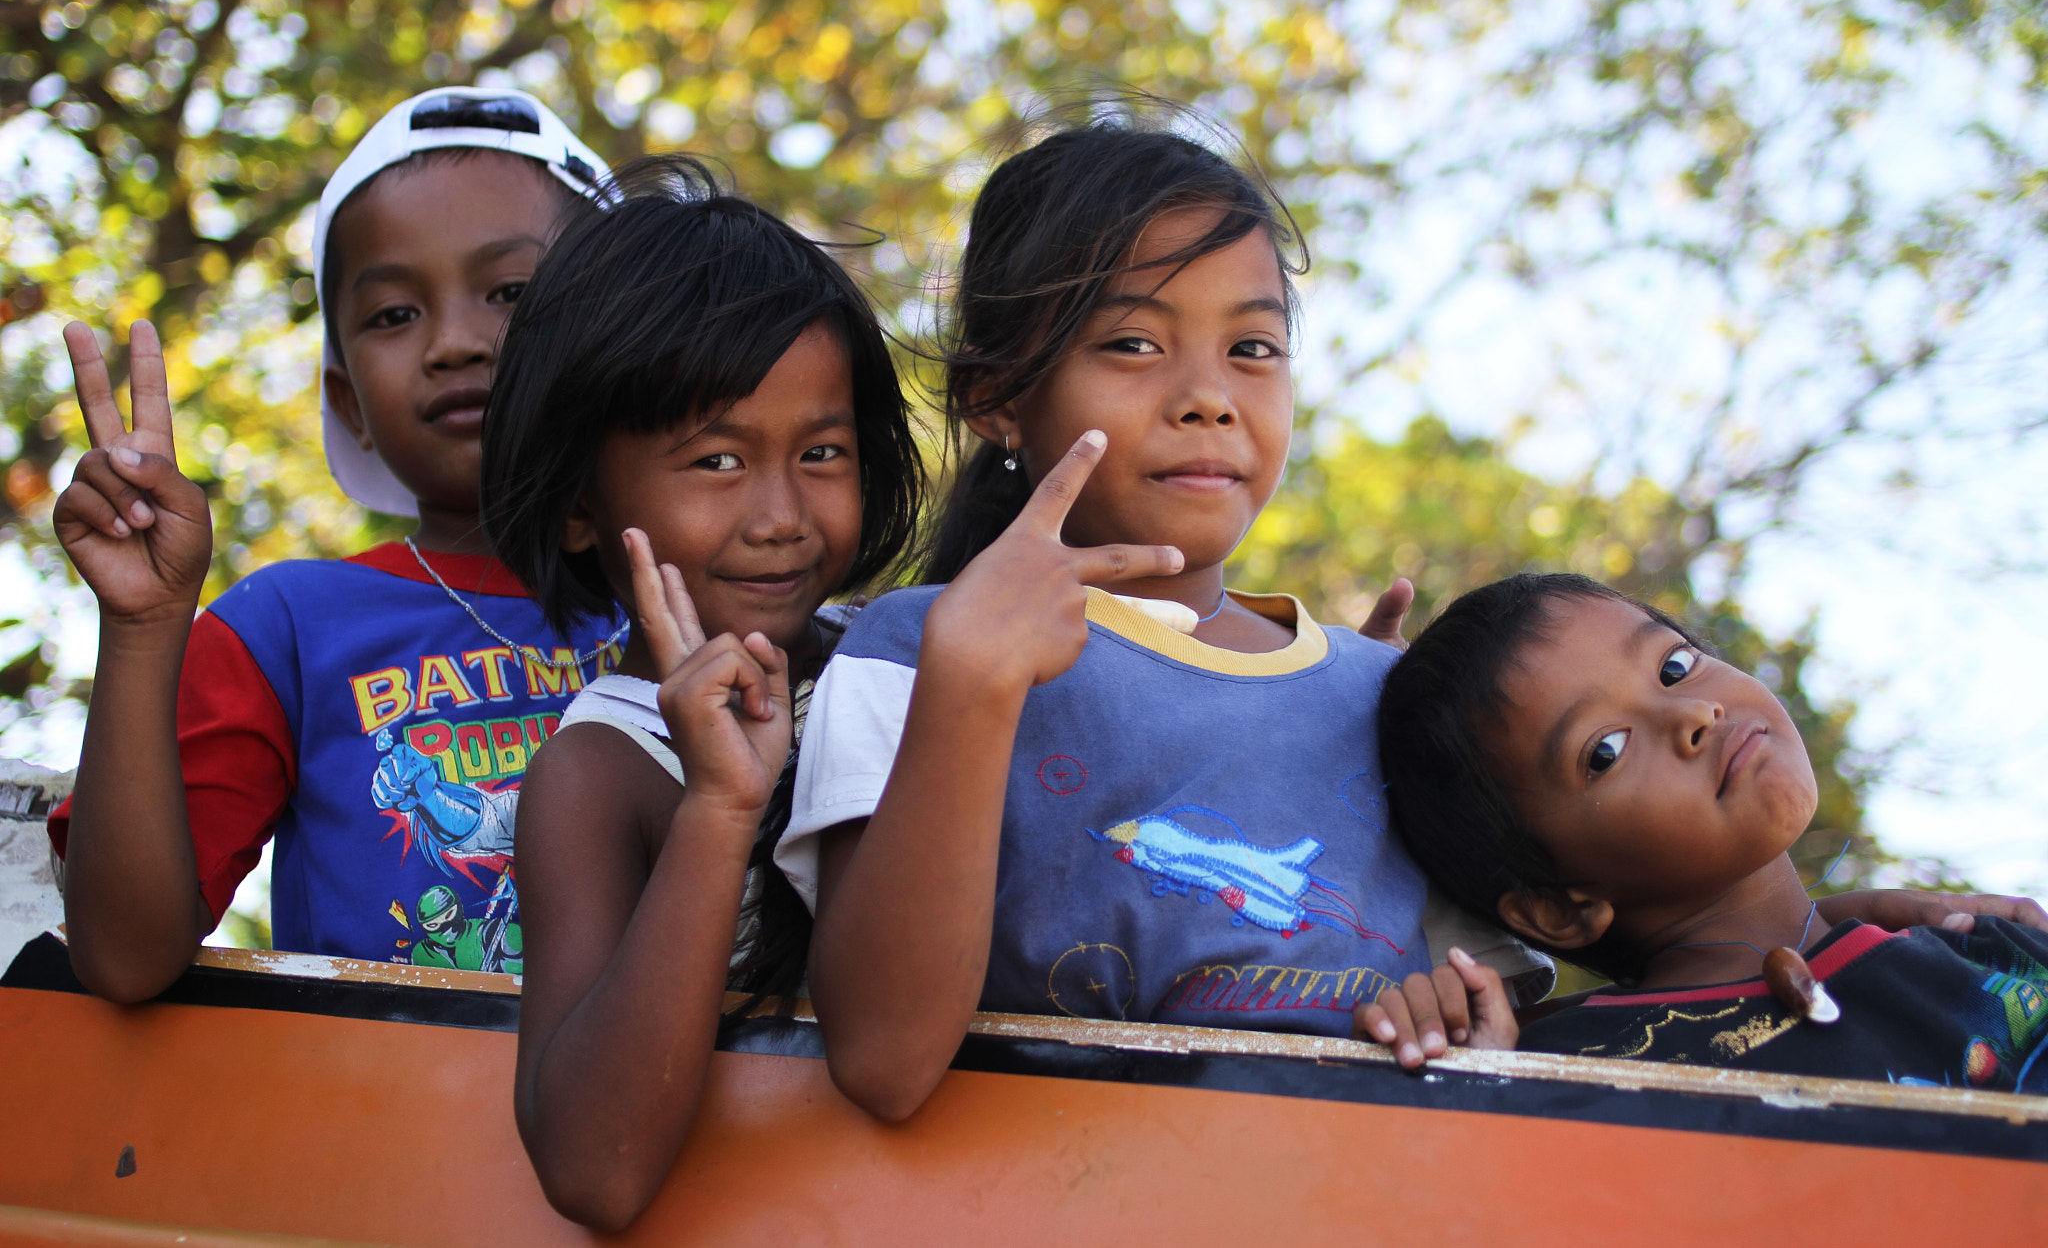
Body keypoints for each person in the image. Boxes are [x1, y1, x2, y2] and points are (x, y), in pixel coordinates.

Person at [785, 109, 1539, 1123]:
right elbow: (881, 1060)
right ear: (996, 395)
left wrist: (1462, 1032)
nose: (1207, 397)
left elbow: (1504, 1033)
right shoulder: (920, 647)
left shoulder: (1380, 695)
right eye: (1133, 342)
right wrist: (971, 686)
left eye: (1253, 346)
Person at [48, 88, 619, 1001]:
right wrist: (147, 625)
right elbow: (122, 955)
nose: (455, 342)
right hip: (374, 1129)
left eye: (511, 292)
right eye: (394, 314)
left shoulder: (708, 607)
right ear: (349, 402)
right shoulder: (286, 630)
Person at [479, 156, 922, 1230]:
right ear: (582, 505)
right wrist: (720, 809)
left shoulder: (904, 663)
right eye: (717, 462)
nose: (780, 514)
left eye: (822, 451)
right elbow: (593, 1172)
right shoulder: (603, 766)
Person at [1376, 571, 2048, 1086]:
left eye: (1674, 665)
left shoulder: (1995, 954)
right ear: (1556, 905)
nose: (1695, 711)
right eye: (1605, 750)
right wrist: (1479, 1086)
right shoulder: (1560, 1071)